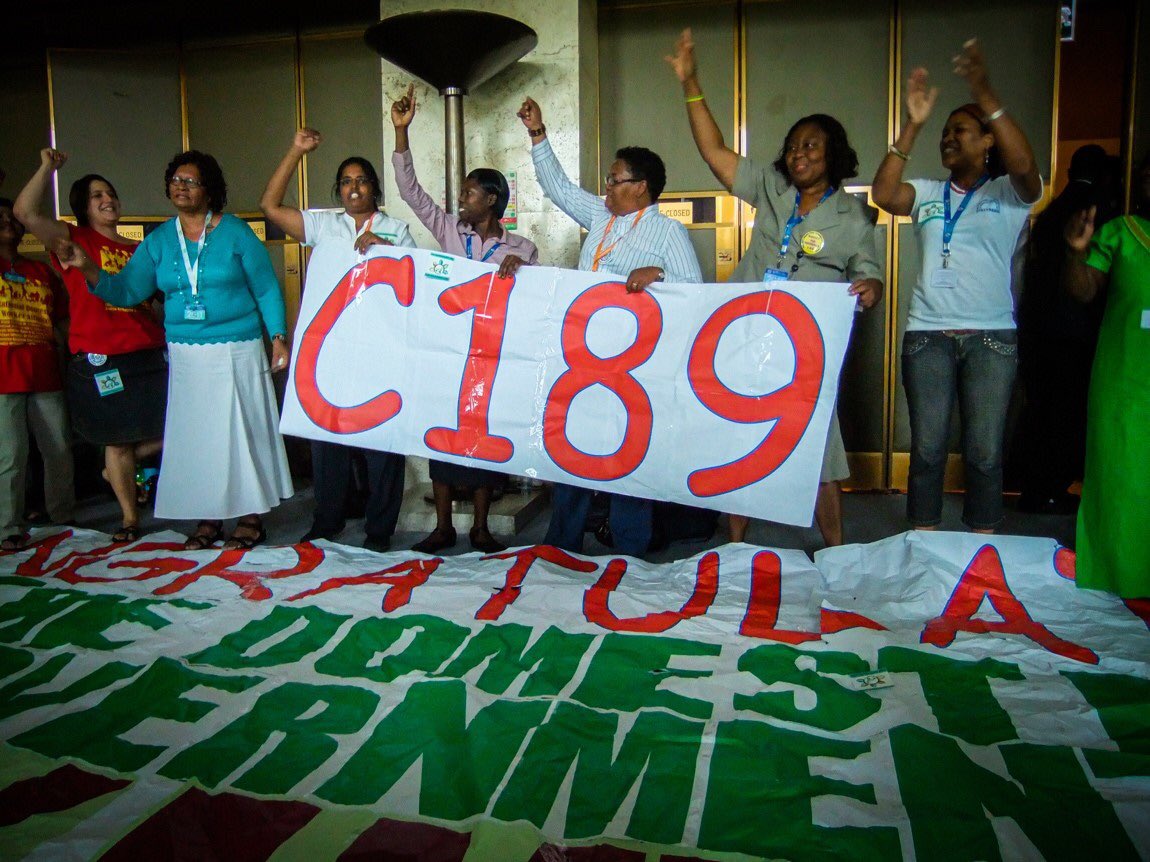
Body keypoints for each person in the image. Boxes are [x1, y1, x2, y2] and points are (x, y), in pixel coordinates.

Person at [666, 28, 883, 548]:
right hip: (747, 334)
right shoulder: (771, 186)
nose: (798, 152)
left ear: (834, 155)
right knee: (739, 433)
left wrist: (869, 286)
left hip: (804, 347)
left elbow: (866, 269)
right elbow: (715, 151)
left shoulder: (851, 215)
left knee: (821, 447)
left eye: (811, 144)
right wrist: (691, 83)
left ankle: (835, 550)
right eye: (792, 145)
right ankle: (737, 544)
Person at [55, 150, 293, 550]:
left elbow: (267, 287)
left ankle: (251, 516)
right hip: (186, 353)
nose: (181, 187)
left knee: (242, 433)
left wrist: (278, 336)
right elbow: (128, 290)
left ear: (210, 189)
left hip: (237, 347)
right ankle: (209, 516)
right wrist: (87, 268)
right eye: (175, 180)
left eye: (190, 181)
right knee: (199, 438)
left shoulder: (235, 232)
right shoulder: (160, 240)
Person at [517, 96, 702, 558]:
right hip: (582, 359)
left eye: (614, 180)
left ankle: (630, 549)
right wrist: (538, 133)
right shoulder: (601, 216)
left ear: (640, 187)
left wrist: (659, 276)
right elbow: (558, 187)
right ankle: (563, 542)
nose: (606, 186)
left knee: (628, 454)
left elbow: (695, 295)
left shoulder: (668, 234)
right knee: (573, 449)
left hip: (634, 368)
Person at [871, 39, 1042, 534]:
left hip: (992, 338)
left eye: (961, 131)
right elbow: (884, 194)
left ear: (989, 141)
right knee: (926, 450)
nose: (949, 138)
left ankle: (980, 544)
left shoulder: (1010, 194)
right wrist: (915, 124)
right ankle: (923, 544)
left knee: (985, 453)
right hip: (927, 336)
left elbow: (1028, 168)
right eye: (944, 133)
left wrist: (984, 93)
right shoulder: (927, 192)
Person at [392, 83, 539, 554]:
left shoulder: (523, 248)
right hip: (447, 353)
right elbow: (411, 193)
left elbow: (535, 302)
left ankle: (479, 527)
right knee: (441, 440)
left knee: (481, 439)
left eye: (471, 194)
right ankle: (442, 528)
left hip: (491, 357)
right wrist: (401, 134)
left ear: (492, 201)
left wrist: (522, 274)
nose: (462, 201)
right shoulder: (448, 231)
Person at [261, 130, 414, 553]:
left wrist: (386, 249)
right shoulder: (325, 224)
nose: (353, 187)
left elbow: (417, 283)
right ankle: (327, 521)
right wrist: (295, 151)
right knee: (328, 441)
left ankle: (379, 530)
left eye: (361, 180)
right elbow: (269, 206)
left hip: (381, 353)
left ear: (374, 188)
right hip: (332, 352)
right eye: (345, 181)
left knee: (382, 443)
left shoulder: (396, 229)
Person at [14, 148, 166, 543]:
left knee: (175, 428)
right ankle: (130, 519)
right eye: (97, 195)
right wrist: (47, 167)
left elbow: (158, 300)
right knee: (115, 440)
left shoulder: (139, 250)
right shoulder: (72, 238)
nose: (108, 199)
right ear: (83, 206)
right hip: (102, 357)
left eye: (111, 193)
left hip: (148, 352)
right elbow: (25, 213)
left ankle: (119, 467)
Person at [1062, 152, 1150, 598]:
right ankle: (1121, 573)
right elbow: (1083, 291)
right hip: (1124, 380)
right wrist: (1077, 254)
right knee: (1122, 474)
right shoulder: (1121, 232)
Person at [1015, 144, 1116, 514]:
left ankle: (1034, 488)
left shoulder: (1051, 209)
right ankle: (1053, 487)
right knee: (1067, 412)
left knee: (1039, 408)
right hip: (1076, 329)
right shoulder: (1102, 209)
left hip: (1037, 325)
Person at [0, 198, 74, 550]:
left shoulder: (41, 271)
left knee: (58, 448)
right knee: (11, 455)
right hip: (3, 378)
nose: (9, 224)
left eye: (12, 219)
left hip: (45, 372)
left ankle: (63, 517)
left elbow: (62, 321)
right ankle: (7, 527)